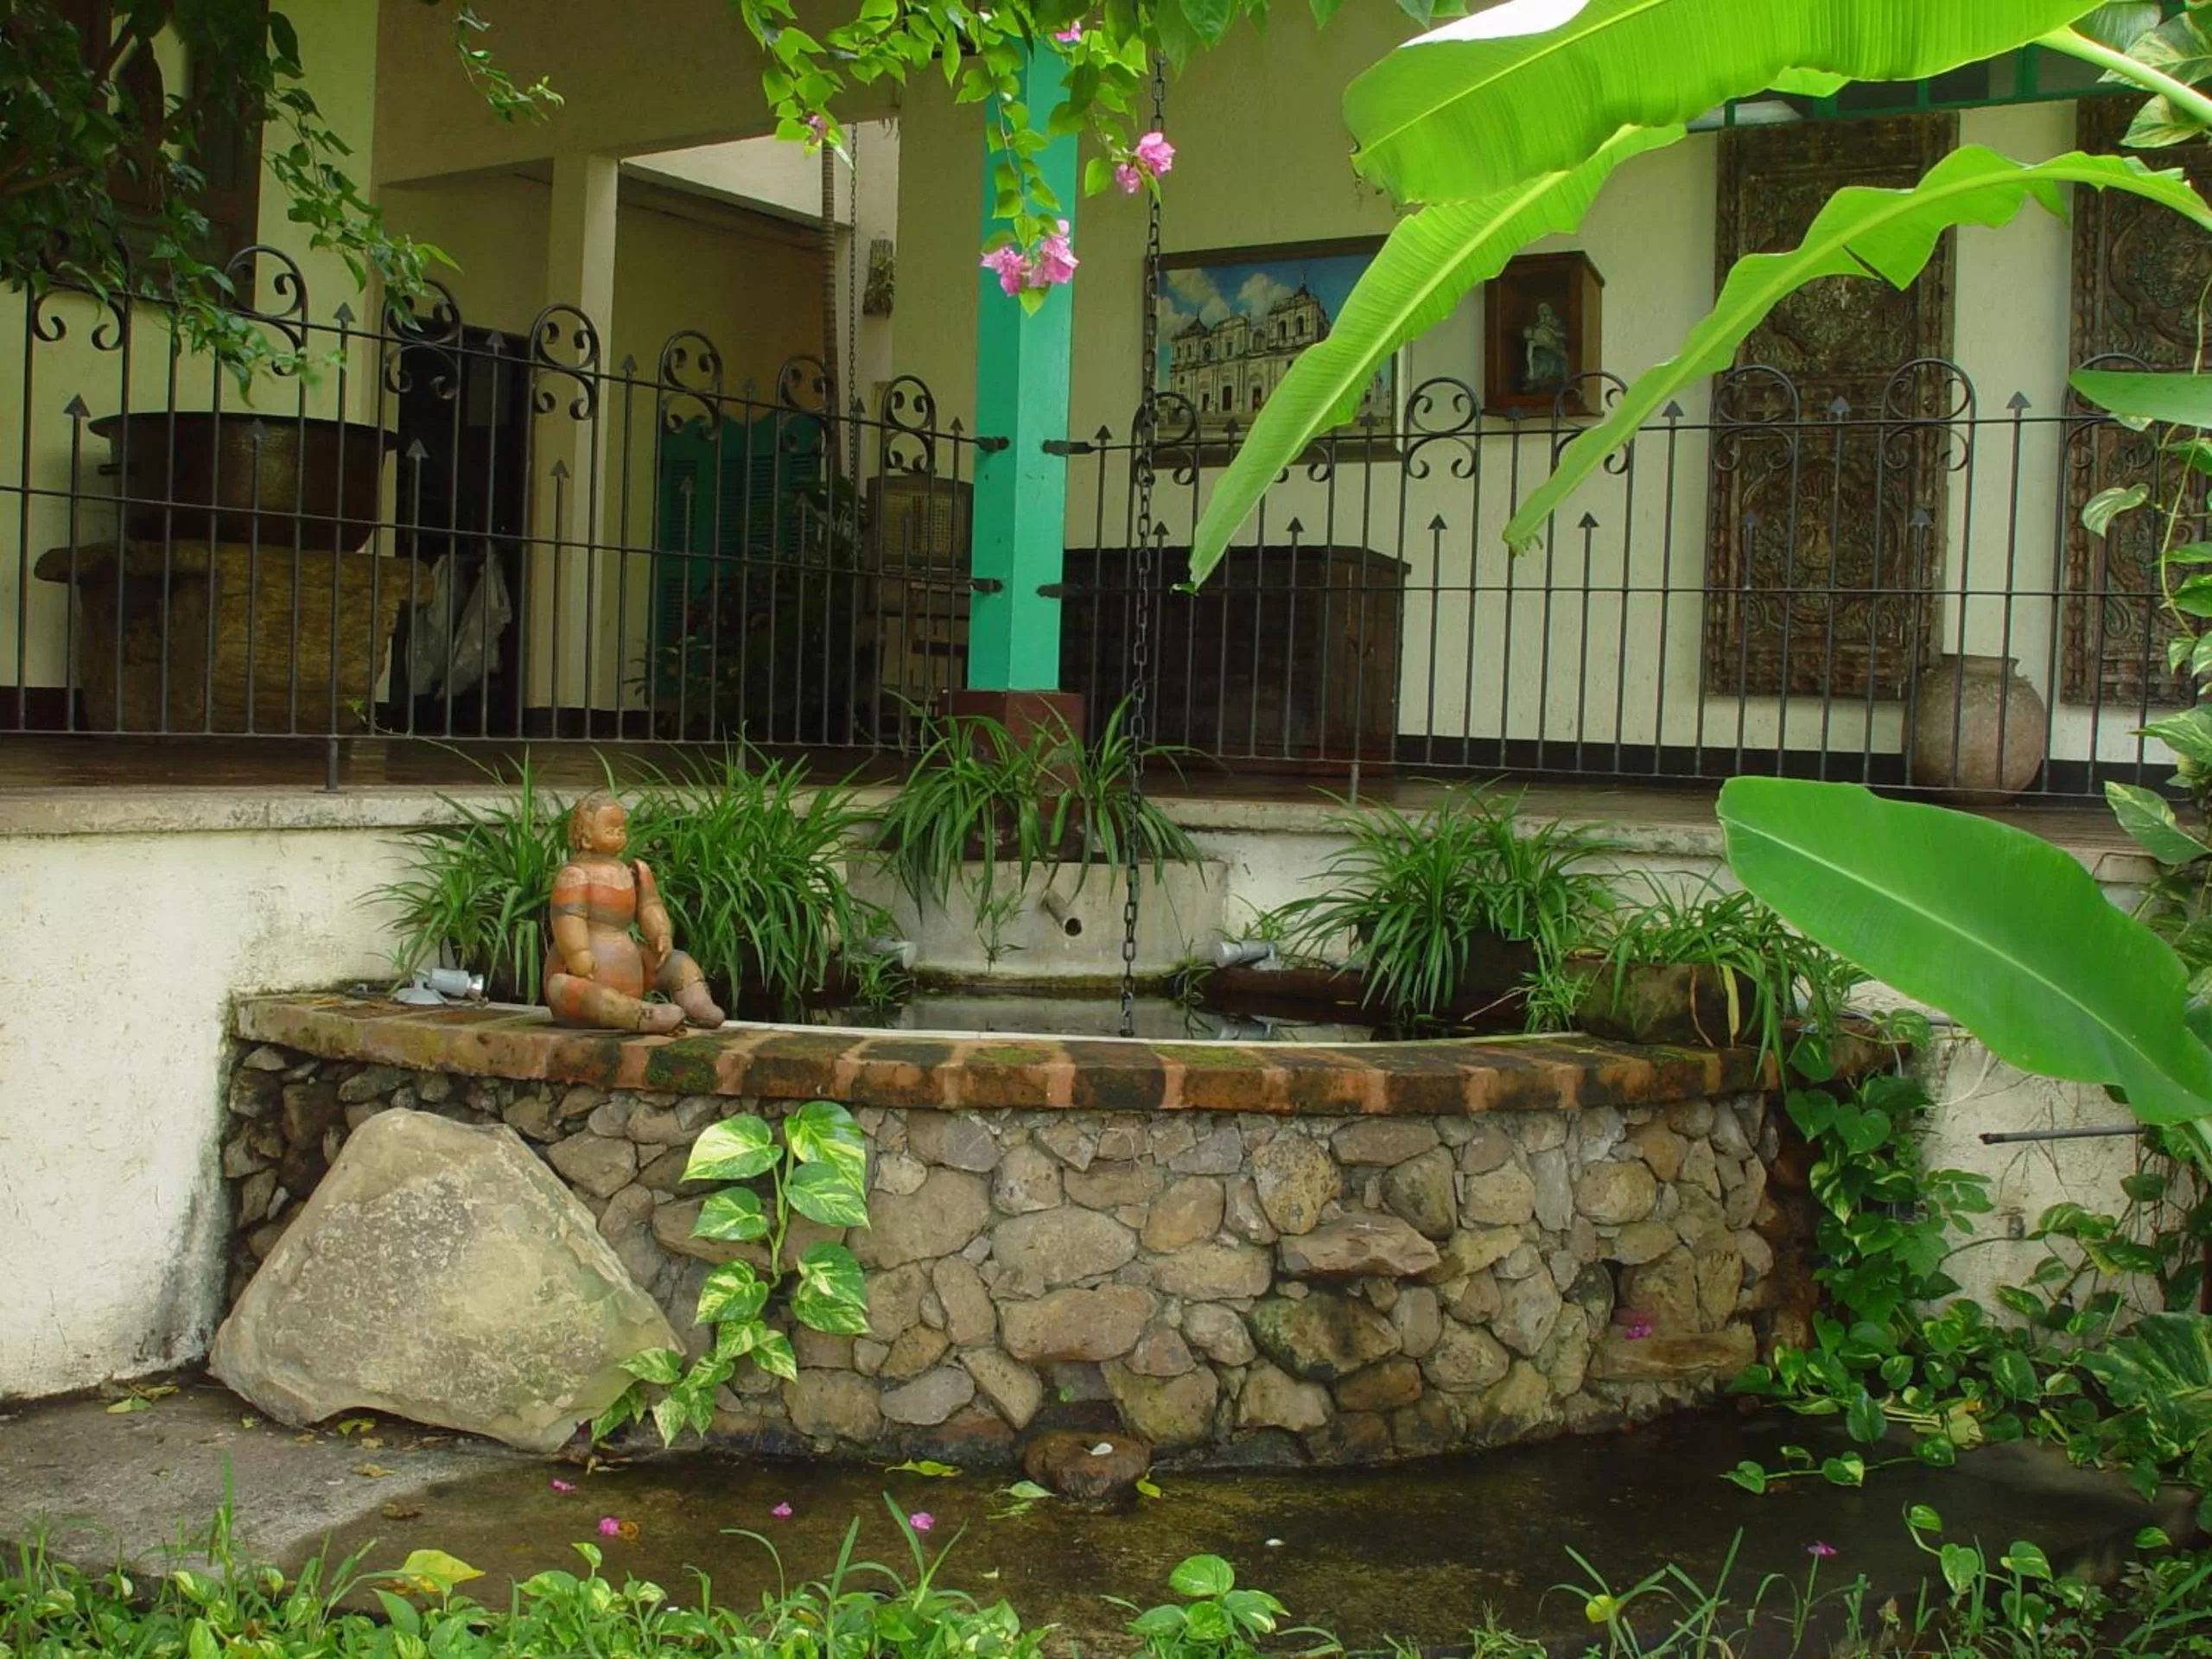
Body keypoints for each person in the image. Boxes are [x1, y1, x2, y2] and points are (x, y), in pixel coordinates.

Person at [544, 790, 726, 1032]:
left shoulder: (634, 871)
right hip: (585, 977)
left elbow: (650, 906)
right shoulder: (575, 875)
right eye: (610, 831)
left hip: (630, 966)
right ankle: (635, 1014)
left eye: (621, 830)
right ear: (585, 837)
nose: (619, 837)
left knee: (678, 962)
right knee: (561, 987)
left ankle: (698, 1004)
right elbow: (568, 917)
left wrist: (660, 933)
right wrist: (578, 952)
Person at [1523, 302, 1570, 391]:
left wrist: (1554, 335)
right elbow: (1531, 348)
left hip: (1556, 352)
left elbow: (1563, 337)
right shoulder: (1537, 329)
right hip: (1541, 355)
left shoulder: (1557, 325)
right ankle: (1534, 379)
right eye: (1541, 315)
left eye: (1546, 315)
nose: (1543, 318)